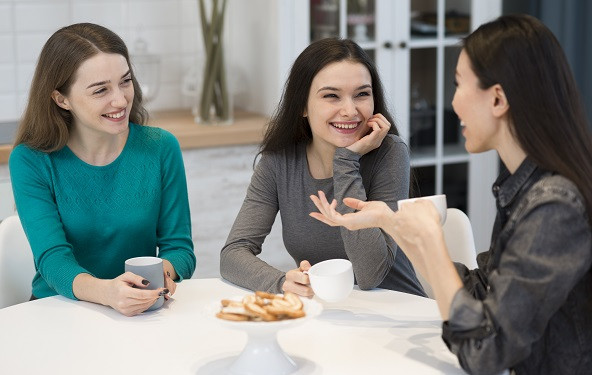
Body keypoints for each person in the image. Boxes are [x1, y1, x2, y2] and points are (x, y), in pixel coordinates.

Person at [310, 14, 592, 374]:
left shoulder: (553, 206)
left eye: (459, 85)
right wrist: (390, 222)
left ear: (498, 99)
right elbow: (482, 290)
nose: (453, 102)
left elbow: (484, 351)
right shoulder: (525, 189)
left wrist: (430, 239)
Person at [9, 23, 196, 316]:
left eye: (125, 81)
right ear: (61, 99)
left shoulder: (160, 148)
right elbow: (53, 259)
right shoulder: (31, 160)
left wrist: (161, 278)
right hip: (57, 311)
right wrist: (108, 292)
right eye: (100, 90)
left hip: (140, 310)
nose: (120, 100)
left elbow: (179, 249)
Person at [220, 38, 425, 297]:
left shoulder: (389, 153)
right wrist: (282, 282)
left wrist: (347, 161)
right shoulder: (278, 163)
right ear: (303, 105)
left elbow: (370, 275)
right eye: (331, 96)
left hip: (395, 315)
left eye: (362, 94)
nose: (350, 111)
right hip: (327, 316)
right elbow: (233, 254)